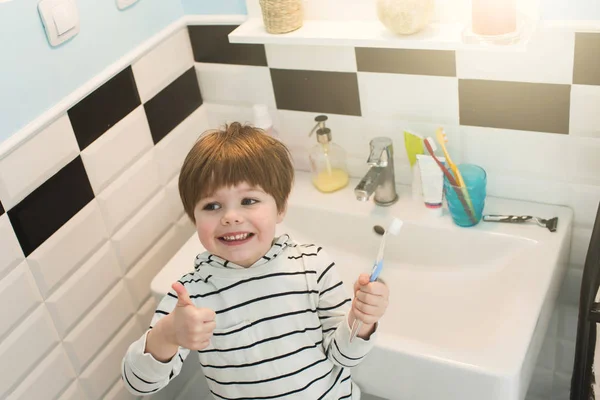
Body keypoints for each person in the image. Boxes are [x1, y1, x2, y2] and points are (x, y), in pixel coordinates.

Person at [122, 122, 390, 399]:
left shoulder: (313, 266)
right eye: (212, 206)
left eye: (248, 201)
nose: (230, 217)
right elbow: (139, 384)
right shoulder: (192, 296)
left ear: (281, 206)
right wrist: (166, 336)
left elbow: (345, 358)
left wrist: (362, 321)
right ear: (194, 217)